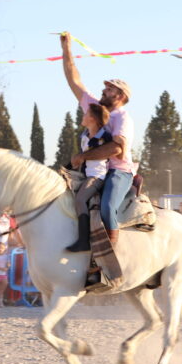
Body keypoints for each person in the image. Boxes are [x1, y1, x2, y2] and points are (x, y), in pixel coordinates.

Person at [60, 31, 135, 246]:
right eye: (105, 87)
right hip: (92, 168)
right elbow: (74, 79)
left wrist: (82, 156)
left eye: (109, 89)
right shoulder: (95, 109)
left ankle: (112, 249)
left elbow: (115, 149)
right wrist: (66, 49)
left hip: (118, 171)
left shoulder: (123, 118)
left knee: (107, 206)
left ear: (120, 96)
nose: (104, 90)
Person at [67, 103, 112, 252]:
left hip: (97, 177)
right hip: (86, 174)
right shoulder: (85, 136)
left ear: (92, 119)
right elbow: (81, 158)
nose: (83, 116)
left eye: (86, 114)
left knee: (80, 199)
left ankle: (83, 241)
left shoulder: (104, 137)